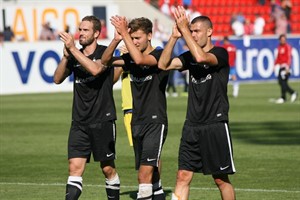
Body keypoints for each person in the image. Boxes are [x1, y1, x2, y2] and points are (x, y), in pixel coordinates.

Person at [158, 6, 236, 200]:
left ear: (209, 32)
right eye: (191, 30)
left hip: (215, 124)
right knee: (182, 176)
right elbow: (163, 65)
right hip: (192, 125)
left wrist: (184, 31)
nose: (193, 34)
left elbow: (202, 57)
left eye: (196, 31)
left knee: (220, 179)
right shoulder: (188, 56)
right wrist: (175, 36)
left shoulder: (220, 52)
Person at [101, 16, 169, 200]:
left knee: (143, 176)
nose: (134, 42)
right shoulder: (131, 57)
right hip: (137, 121)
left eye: (137, 38)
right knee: (152, 177)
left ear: (149, 35)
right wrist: (116, 39)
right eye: (132, 38)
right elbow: (105, 61)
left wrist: (124, 34)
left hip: (155, 121)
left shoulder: (160, 54)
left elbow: (140, 61)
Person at [53, 15, 120, 200]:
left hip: (102, 119)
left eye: (85, 30)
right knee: (74, 168)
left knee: (107, 169)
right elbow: (57, 79)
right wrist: (66, 57)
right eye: (80, 29)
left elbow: (96, 69)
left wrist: (73, 49)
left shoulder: (105, 52)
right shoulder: (75, 54)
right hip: (79, 121)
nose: (80, 33)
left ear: (96, 33)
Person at [274, 34, 297, 104]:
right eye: (281, 39)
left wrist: (288, 67)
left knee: (283, 82)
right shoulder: (279, 47)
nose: (283, 41)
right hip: (281, 67)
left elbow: (289, 57)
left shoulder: (287, 47)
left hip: (286, 67)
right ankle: (288, 95)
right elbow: (278, 57)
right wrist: (275, 65)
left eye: (284, 39)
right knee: (281, 82)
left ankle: (287, 95)